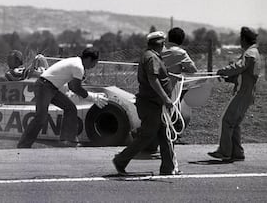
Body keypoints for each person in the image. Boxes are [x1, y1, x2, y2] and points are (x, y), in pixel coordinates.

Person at [112, 31, 180, 175]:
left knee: (165, 135)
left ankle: (168, 168)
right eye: (163, 44)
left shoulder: (150, 56)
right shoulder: (152, 58)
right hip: (151, 104)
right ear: (160, 44)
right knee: (148, 135)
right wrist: (166, 99)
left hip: (154, 104)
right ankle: (121, 160)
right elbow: (153, 79)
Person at [17, 47, 108, 148]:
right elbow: (75, 87)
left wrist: (91, 96)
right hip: (45, 87)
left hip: (48, 86)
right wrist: (93, 97)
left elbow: (71, 86)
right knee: (41, 118)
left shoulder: (75, 61)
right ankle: (23, 145)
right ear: (89, 59)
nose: (93, 66)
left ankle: (67, 140)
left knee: (70, 108)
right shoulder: (79, 67)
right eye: (94, 63)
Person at [208, 27, 261, 162]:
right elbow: (244, 74)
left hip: (242, 93)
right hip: (247, 93)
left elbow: (239, 67)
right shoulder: (254, 52)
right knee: (234, 123)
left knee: (226, 120)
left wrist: (223, 70)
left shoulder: (250, 53)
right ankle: (237, 152)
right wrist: (228, 77)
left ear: (243, 39)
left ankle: (224, 152)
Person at [143, 27, 198, 154]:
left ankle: (151, 142)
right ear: (182, 40)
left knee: (157, 116)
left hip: (154, 89)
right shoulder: (180, 53)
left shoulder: (159, 51)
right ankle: (168, 146)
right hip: (172, 90)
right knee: (172, 118)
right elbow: (193, 69)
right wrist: (179, 69)